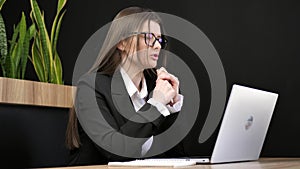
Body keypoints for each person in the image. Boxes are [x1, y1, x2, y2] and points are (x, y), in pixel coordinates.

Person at [66, 6, 185, 166]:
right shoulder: (91, 87)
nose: (157, 46)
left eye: (159, 39)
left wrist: (170, 108)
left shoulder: (154, 87)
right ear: (122, 42)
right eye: (149, 37)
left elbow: (176, 155)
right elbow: (114, 151)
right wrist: (155, 106)